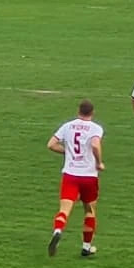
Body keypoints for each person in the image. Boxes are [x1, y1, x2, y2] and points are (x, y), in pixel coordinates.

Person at [47, 100, 104, 258]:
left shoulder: (67, 126)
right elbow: (95, 145)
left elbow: (51, 144)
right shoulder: (95, 128)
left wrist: (68, 152)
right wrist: (99, 162)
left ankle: (58, 230)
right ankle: (86, 247)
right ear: (92, 113)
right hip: (89, 176)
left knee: (64, 210)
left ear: (78, 111)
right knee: (89, 211)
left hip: (70, 175)